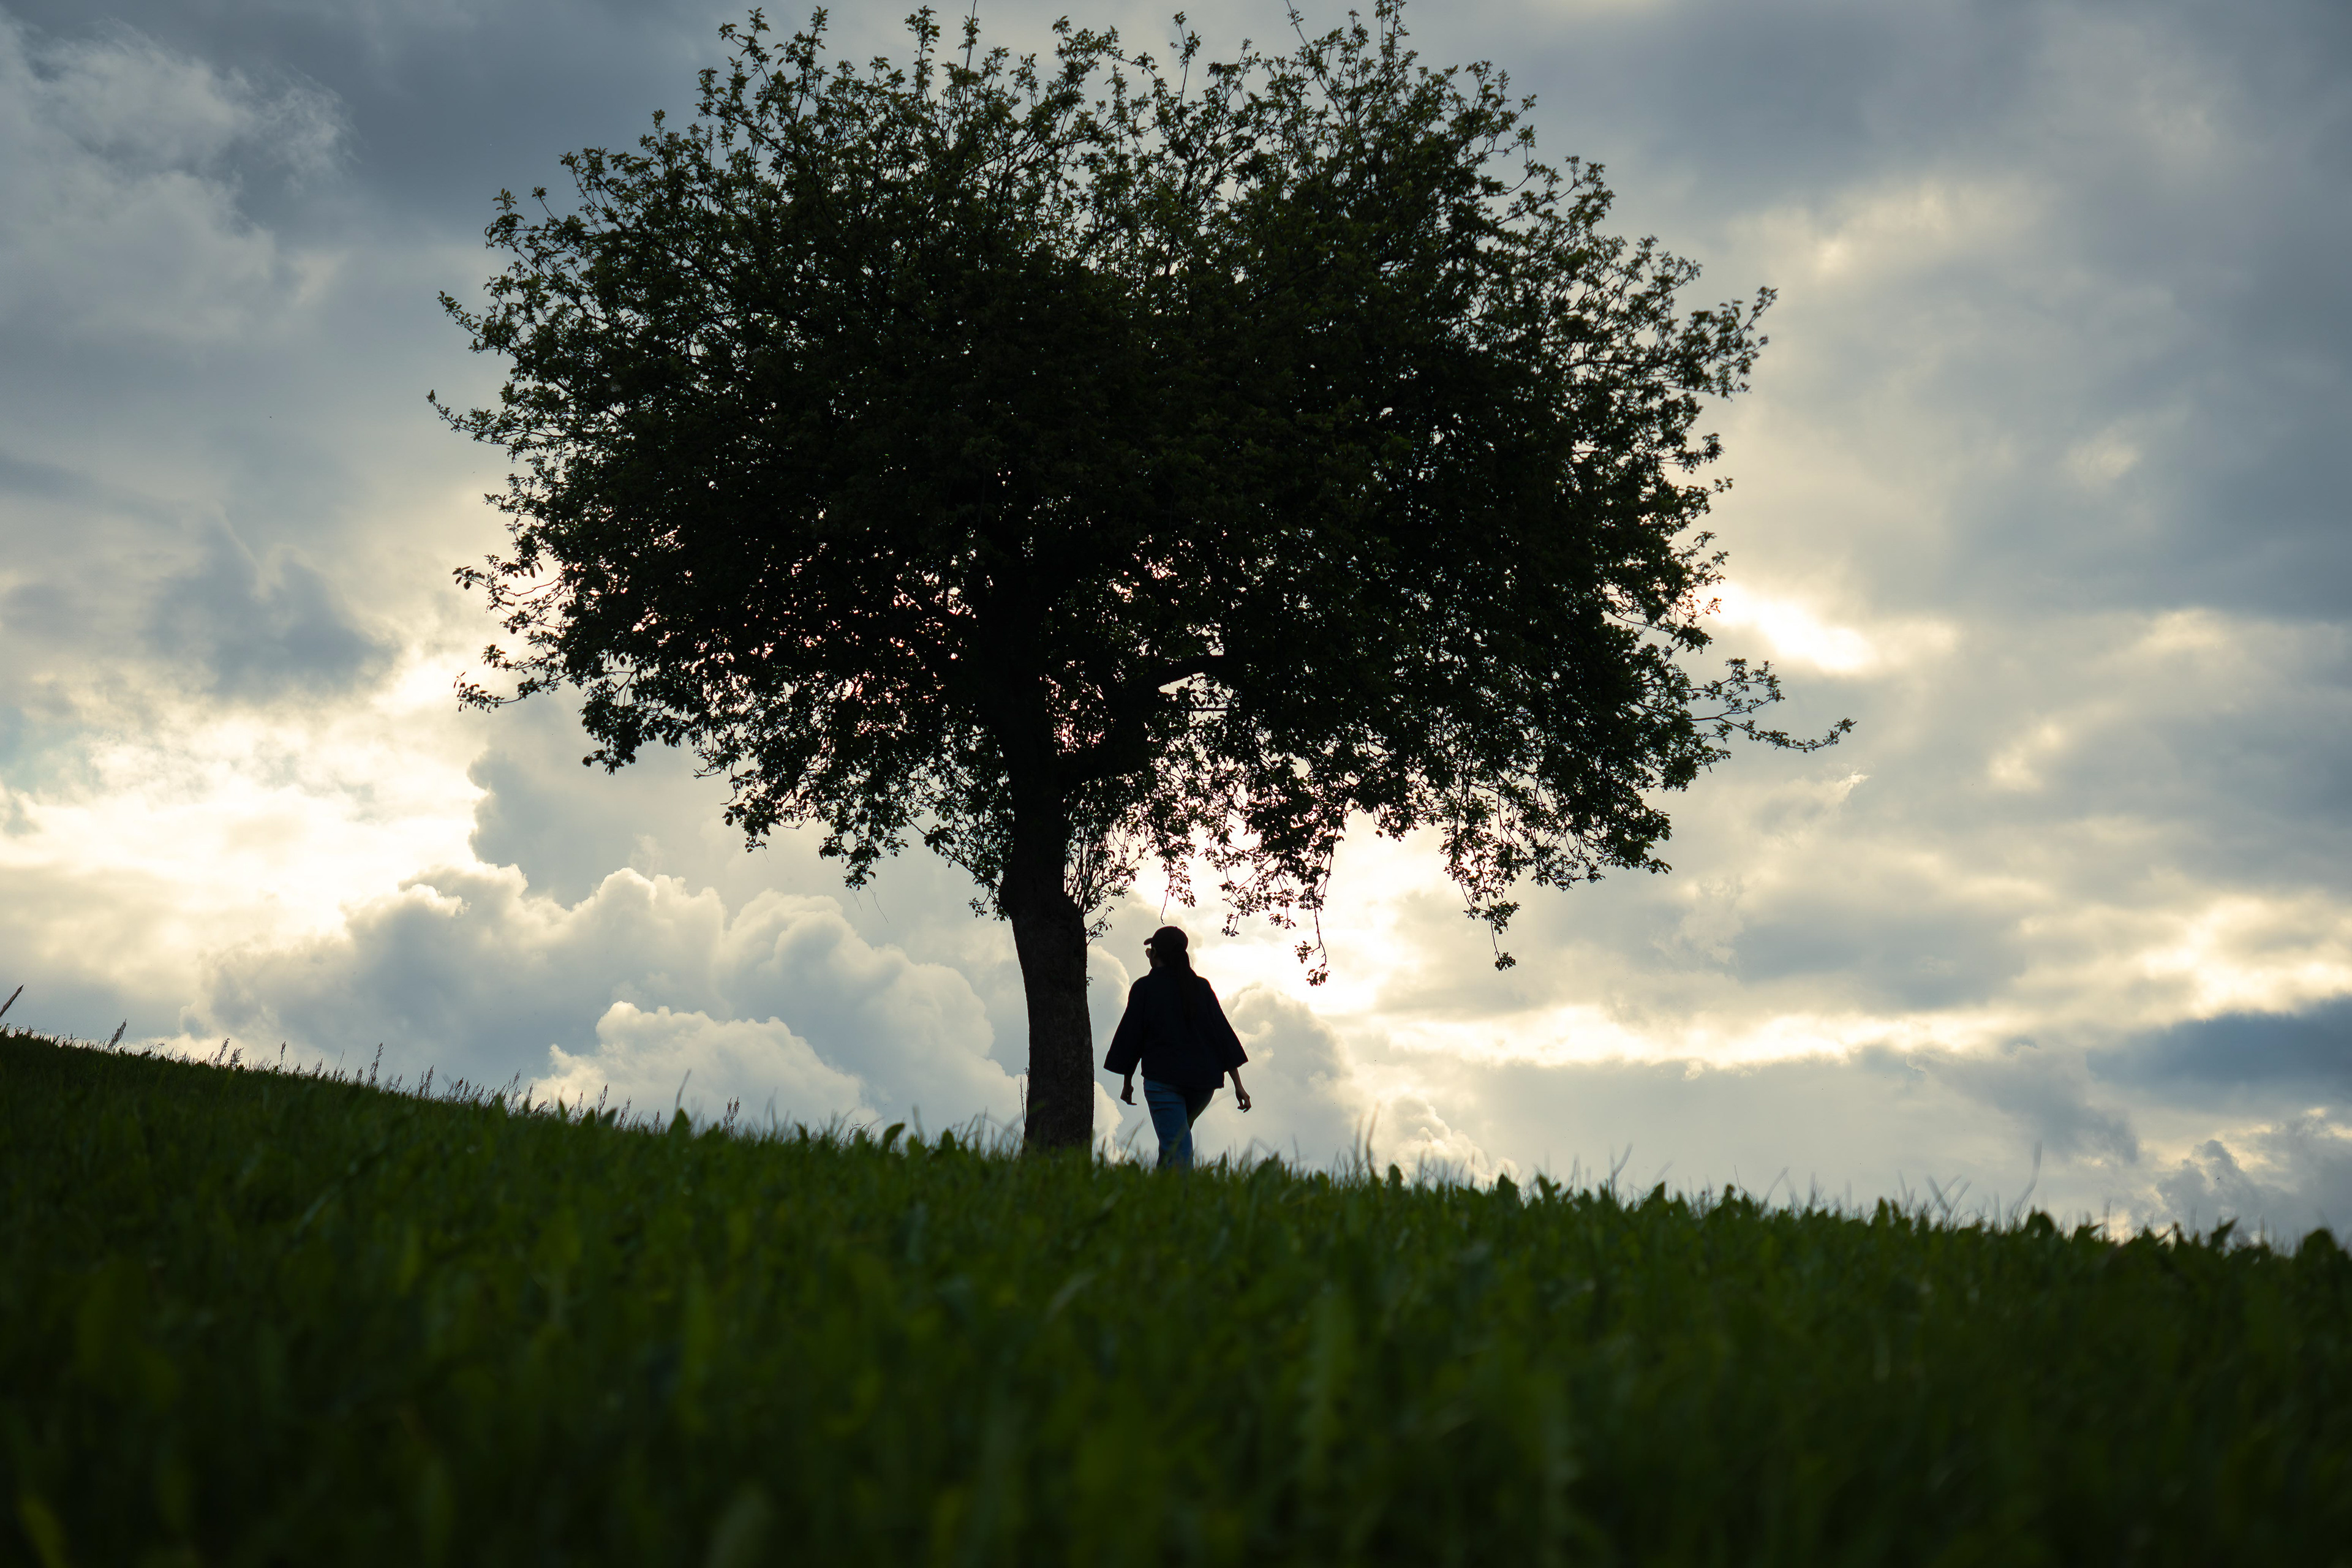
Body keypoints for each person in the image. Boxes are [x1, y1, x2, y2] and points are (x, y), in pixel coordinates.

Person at [1102, 925, 1251, 1170]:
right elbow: (1222, 1035)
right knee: (1174, 1141)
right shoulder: (1200, 987)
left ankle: (1183, 1201)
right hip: (1203, 1085)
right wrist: (1238, 1085)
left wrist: (1127, 1081)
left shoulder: (1144, 988)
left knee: (1177, 1144)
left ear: (1155, 955)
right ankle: (1159, 1200)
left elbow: (1131, 1038)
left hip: (1163, 1082)